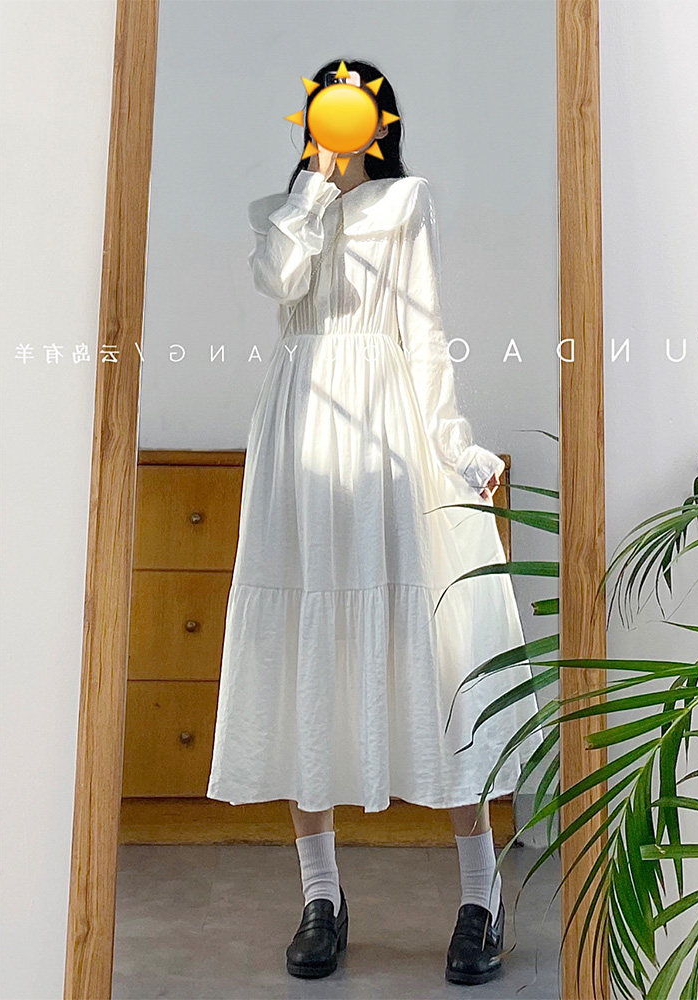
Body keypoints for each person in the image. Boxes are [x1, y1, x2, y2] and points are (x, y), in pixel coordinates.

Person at [206, 58, 542, 986]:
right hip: (298, 435)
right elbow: (279, 281)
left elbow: (424, 334)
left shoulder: (408, 203)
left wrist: (454, 444)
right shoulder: (286, 212)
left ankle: (480, 896)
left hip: (387, 426)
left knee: (431, 647)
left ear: (381, 120)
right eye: (323, 108)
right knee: (306, 653)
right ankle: (321, 895)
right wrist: (314, 185)